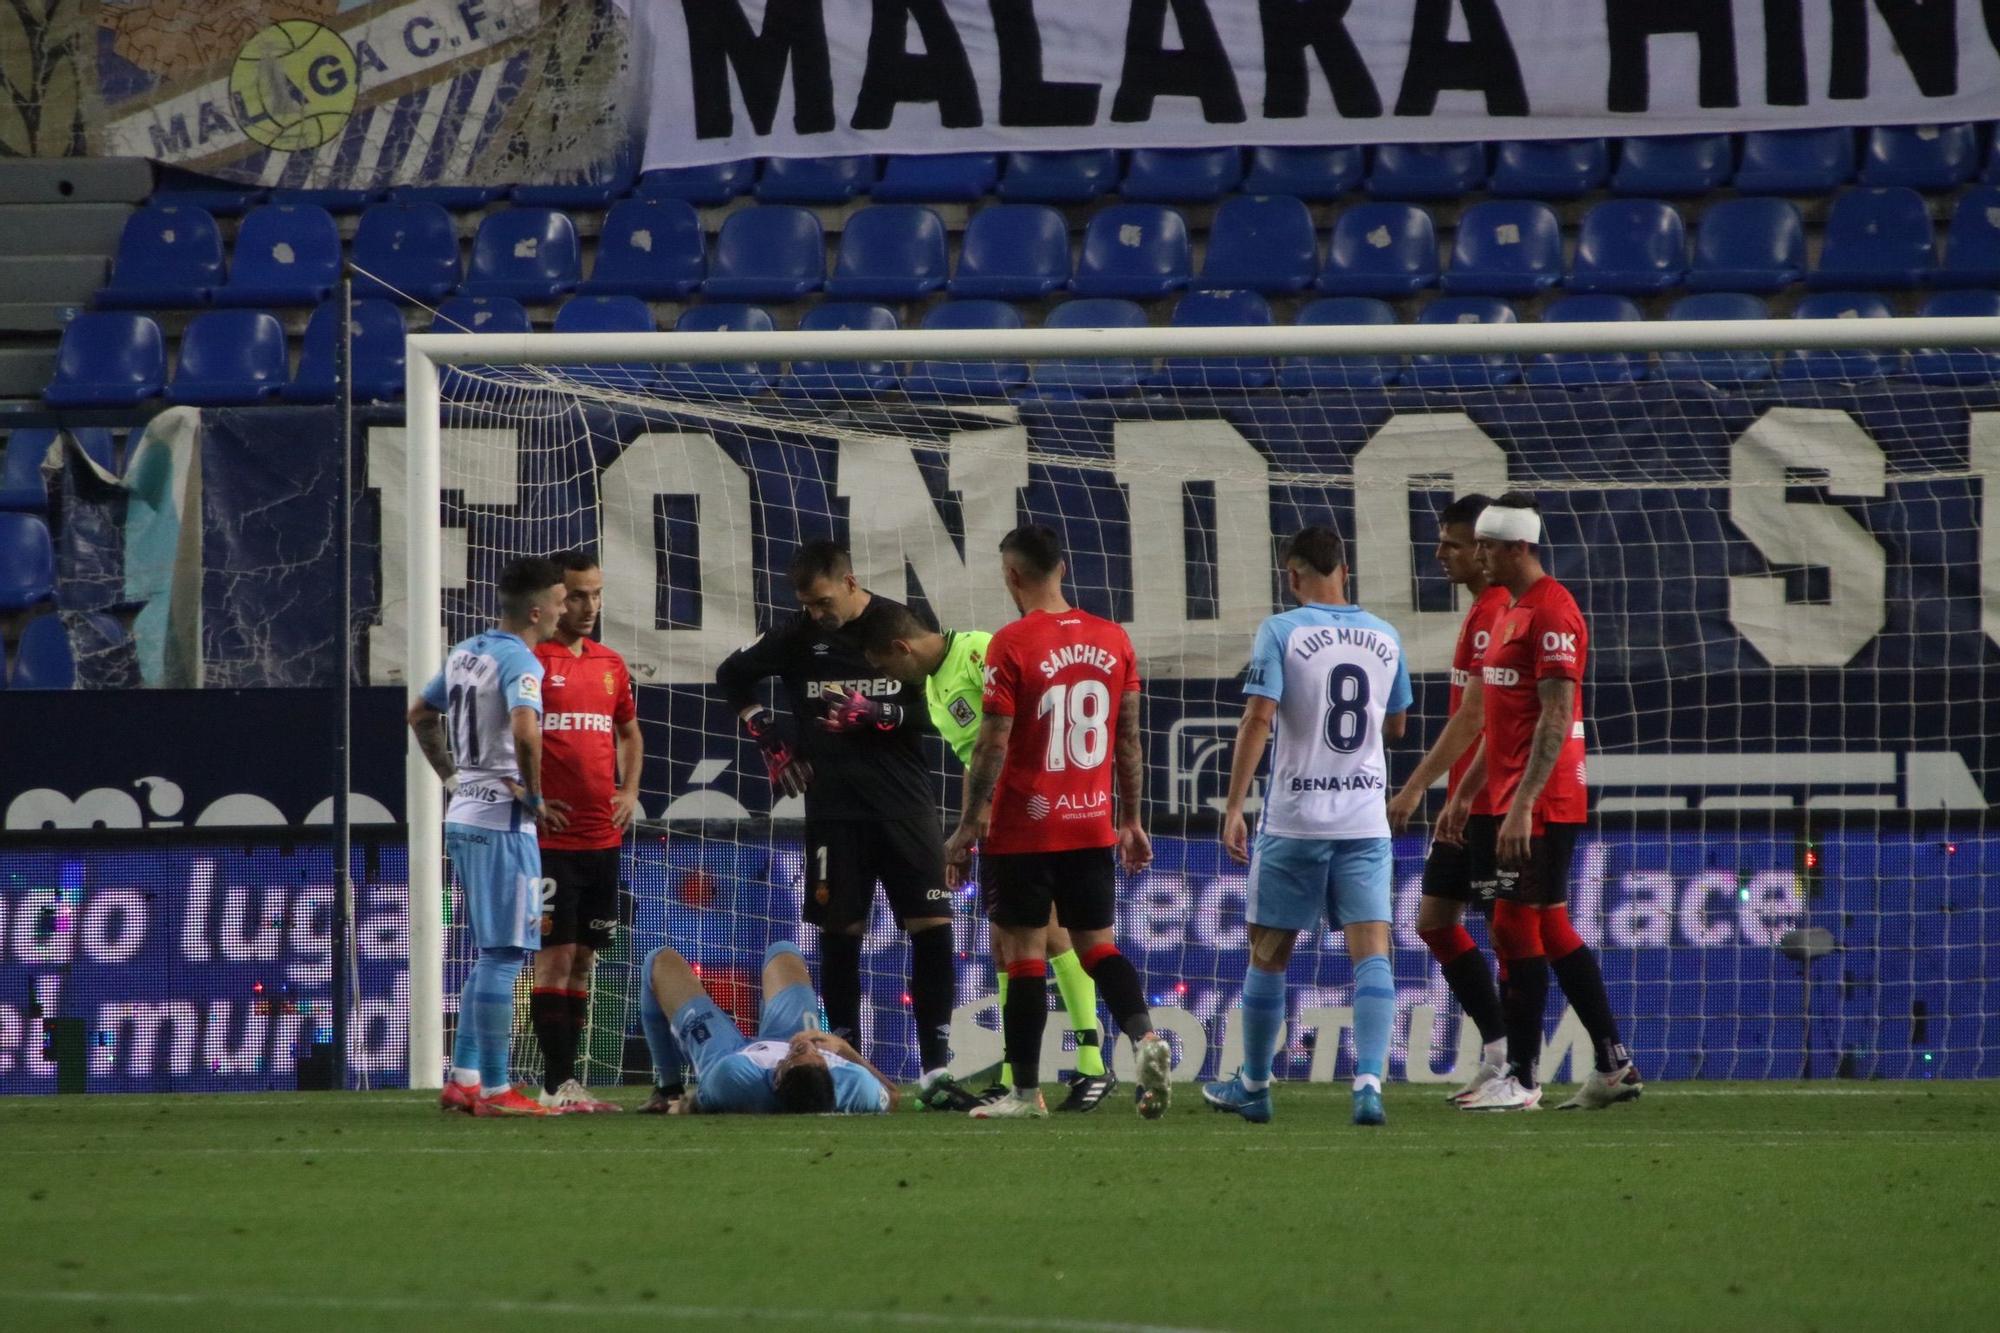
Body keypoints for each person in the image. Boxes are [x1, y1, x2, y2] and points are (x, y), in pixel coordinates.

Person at [942, 524, 1171, 1120]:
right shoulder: (1113, 638)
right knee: (1097, 946)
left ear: (1011, 576)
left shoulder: (1011, 644)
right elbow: (1128, 741)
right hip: (1090, 825)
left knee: (1022, 955)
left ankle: (1025, 1094)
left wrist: (969, 824)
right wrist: (1133, 819)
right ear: (1063, 569)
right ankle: (1145, 1039)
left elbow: (991, 746)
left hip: (1024, 829)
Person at [714, 540, 957, 1101]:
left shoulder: (897, 623)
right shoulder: (798, 636)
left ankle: (936, 1070)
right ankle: (843, 1052)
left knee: (931, 926)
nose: (816, 614)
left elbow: (942, 707)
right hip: (834, 808)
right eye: (807, 604)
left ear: (850, 582)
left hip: (905, 804)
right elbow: (732, 674)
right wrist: (764, 728)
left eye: (823, 602)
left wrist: (882, 714)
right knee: (841, 930)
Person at [863, 605, 1116, 1112]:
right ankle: (1017, 1074)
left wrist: (974, 829)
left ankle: (1089, 1064)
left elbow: (1014, 739)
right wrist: (967, 830)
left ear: (902, 648)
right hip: (1001, 818)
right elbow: (974, 759)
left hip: (1037, 809)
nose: (887, 679)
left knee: (1045, 934)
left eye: (886, 668)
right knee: (1012, 945)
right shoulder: (934, 687)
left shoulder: (980, 651)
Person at [1437, 494, 1643, 1112]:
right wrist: (1468, 791)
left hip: (1544, 800)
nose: (1478, 556)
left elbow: (1556, 717)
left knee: (1512, 925)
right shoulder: (1509, 611)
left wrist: (1524, 803)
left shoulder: (1553, 611)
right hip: (1508, 795)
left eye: (1488, 547)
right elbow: (1502, 721)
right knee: (1547, 925)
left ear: (1518, 547)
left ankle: (1522, 1079)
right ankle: (1611, 1065)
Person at [1202, 526, 1409, 1128]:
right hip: (1364, 819)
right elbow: (1396, 725)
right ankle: (1368, 1084)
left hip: (1294, 819)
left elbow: (1258, 718)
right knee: (1372, 951)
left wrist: (1235, 805)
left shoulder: (1283, 631)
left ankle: (1256, 1085)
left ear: (1292, 576)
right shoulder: (1385, 635)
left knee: (1269, 954)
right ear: (1344, 568)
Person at [406, 554, 571, 1117]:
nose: (564, 610)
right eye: (560, 599)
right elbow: (526, 727)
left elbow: (419, 714)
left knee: (489, 952)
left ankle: (465, 1077)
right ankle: (498, 1090)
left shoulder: (466, 651)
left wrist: (453, 778)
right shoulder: (521, 660)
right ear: (536, 608)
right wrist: (536, 793)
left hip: (463, 815)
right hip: (502, 822)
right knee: (505, 954)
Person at [1386, 495, 1513, 1103]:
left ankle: (1521, 1064)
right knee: (1435, 922)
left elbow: (1476, 720)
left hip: (1491, 803)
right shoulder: (1480, 613)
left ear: (1486, 553)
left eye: (1453, 545)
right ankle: (1499, 1050)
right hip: (1466, 803)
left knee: (1511, 931)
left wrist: (1418, 788)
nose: (1440, 555)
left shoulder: (1496, 613)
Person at [526, 550, 642, 1114]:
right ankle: (552, 1085)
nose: (589, 605)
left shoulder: (609, 664)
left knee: (584, 961)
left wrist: (630, 791)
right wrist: (531, 796)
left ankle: (568, 1084)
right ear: (552, 598)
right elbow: (507, 737)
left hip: (603, 838)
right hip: (549, 842)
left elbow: (630, 733)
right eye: (577, 595)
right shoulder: (529, 659)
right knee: (553, 956)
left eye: (596, 594)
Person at [636, 940, 897, 1115]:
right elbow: (893, 1096)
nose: (805, 1045)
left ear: (777, 1077)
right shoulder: (853, 1087)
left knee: (659, 961)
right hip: (786, 1035)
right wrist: (843, 1048)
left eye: (796, 1054)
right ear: (829, 1074)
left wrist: (678, 1102)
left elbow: (691, 1105)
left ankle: (665, 1086)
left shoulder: (733, 1079)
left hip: (728, 1052)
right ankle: (773, 1020)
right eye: (819, 1057)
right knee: (784, 951)